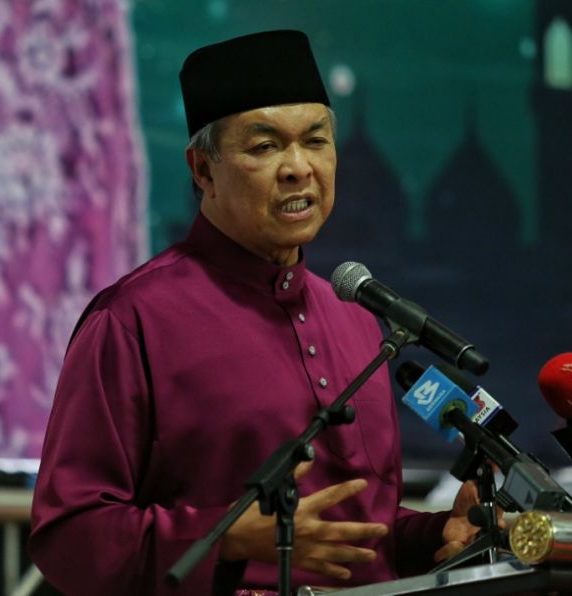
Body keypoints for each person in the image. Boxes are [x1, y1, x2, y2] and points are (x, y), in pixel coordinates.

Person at [29, 30, 478, 595]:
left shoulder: (357, 321)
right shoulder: (131, 321)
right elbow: (68, 537)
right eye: (264, 147)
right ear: (202, 170)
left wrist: (437, 535)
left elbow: (355, 536)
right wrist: (226, 538)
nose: (298, 168)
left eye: (315, 141)